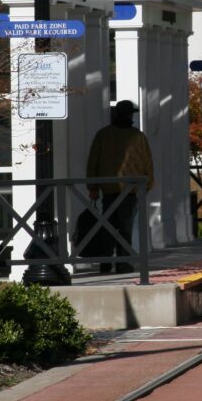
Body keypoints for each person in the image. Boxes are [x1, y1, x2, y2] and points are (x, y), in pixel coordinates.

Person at [85, 99, 154, 274]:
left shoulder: (103, 135)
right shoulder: (137, 136)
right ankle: (123, 262)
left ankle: (106, 262)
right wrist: (147, 184)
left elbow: (93, 161)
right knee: (125, 228)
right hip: (128, 190)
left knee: (108, 226)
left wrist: (92, 187)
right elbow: (147, 163)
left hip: (109, 189)